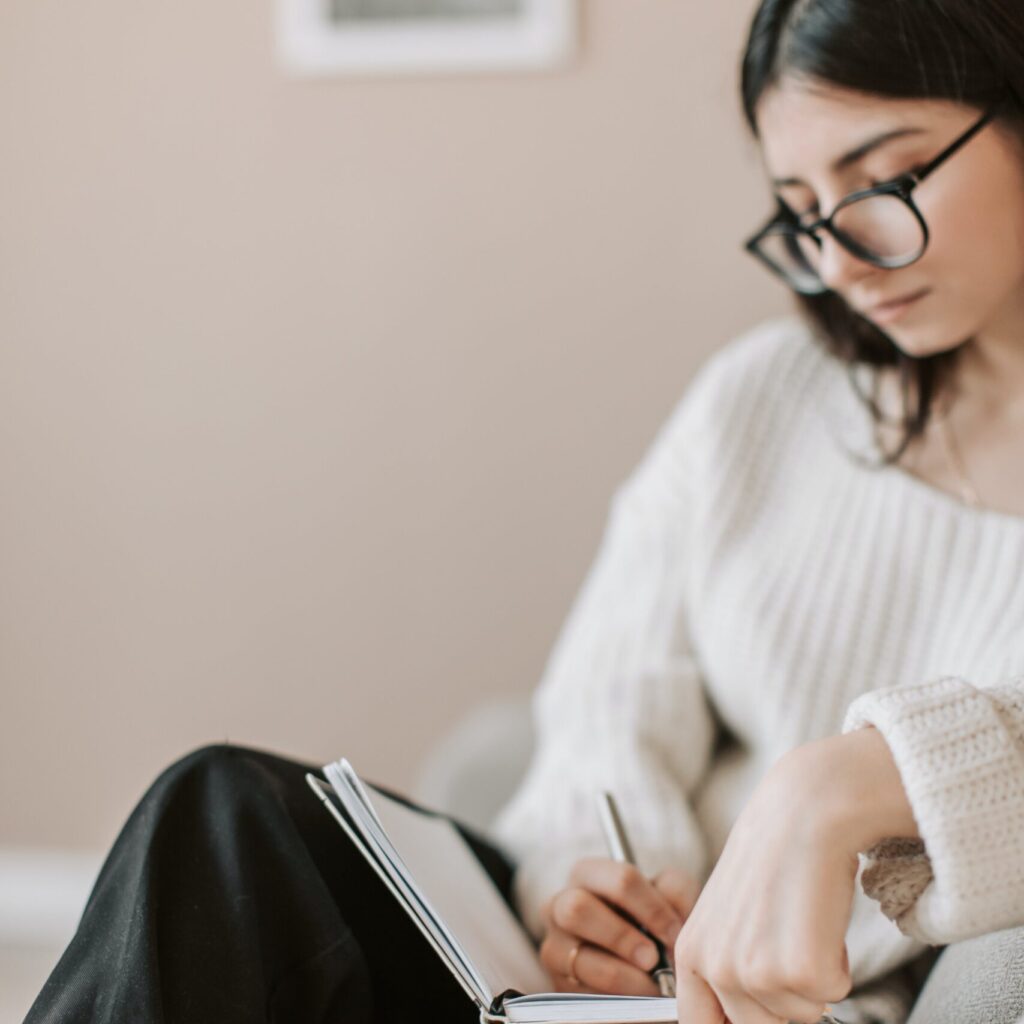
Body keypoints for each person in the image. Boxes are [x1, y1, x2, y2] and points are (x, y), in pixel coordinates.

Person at [24, 1, 1024, 1022]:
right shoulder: (763, 398)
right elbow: (604, 702)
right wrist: (590, 889)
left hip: (799, 1009)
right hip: (597, 988)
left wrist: (848, 782)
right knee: (222, 814)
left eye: (887, 181)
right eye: (802, 208)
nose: (840, 259)